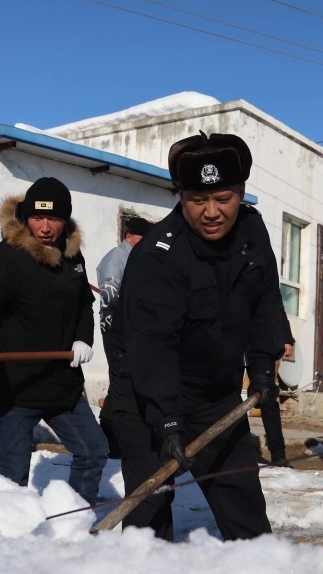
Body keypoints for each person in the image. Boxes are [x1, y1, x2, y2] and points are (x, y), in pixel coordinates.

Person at [103, 131, 285, 541]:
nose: (212, 212)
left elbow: (265, 306)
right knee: (149, 520)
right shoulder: (158, 256)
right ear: (180, 197)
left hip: (215, 396)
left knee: (246, 514)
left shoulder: (253, 235)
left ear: (240, 192)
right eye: (197, 201)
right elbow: (152, 348)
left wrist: (260, 371)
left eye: (223, 198)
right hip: (146, 399)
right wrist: (168, 423)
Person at [0, 177, 109, 503]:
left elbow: (84, 303)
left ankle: (75, 518)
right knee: (12, 471)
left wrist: (83, 339)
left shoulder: (73, 258)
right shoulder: (8, 256)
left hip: (61, 383)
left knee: (94, 450)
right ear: (25, 217)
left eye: (53, 218)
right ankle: (7, 535)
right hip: (16, 386)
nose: (44, 227)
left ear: (65, 220)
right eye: (37, 218)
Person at [96, 216, 153, 459]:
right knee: (120, 381)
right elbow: (110, 296)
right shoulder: (116, 258)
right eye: (142, 238)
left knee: (124, 382)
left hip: (132, 329)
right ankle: (107, 435)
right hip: (116, 329)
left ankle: (114, 435)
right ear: (129, 236)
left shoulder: (134, 257)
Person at [257, 312, 295, 467]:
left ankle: (278, 455)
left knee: (268, 398)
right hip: (230, 340)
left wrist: (286, 338)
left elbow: (276, 306)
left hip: (260, 344)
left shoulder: (264, 287)